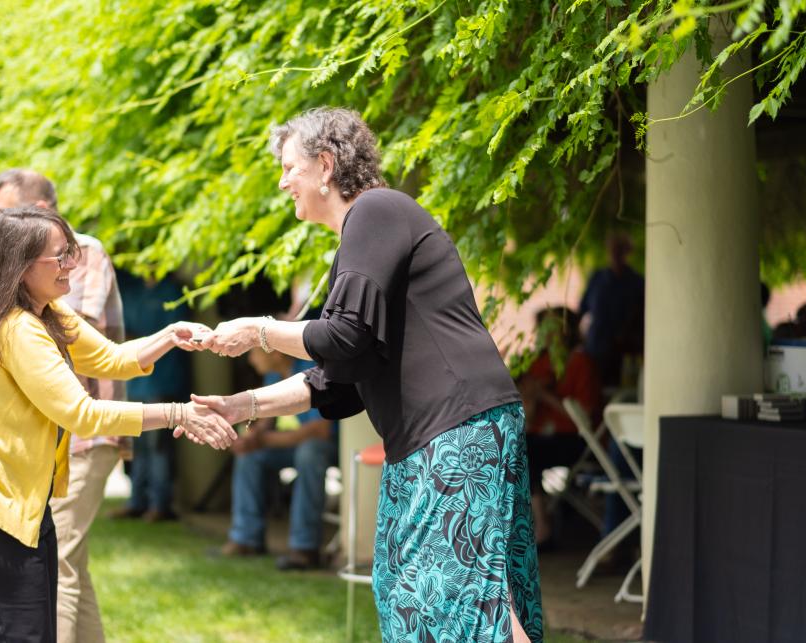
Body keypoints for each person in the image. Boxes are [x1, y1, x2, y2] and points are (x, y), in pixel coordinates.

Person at [183, 107, 542, 643]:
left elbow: (341, 335)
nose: (282, 183)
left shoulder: (375, 211)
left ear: (325, 165)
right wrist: (241, 406)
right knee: (423, 591)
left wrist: (260, 330)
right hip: (433, 437)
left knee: (457, 599)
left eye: (289, 168)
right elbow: (337, 377)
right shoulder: (364, 238)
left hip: (456, 429)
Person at [0, 206, 235, 642]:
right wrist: (178, 413)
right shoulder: (17, 330)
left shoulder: (48, 311)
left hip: (19, 507)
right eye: (61, 255)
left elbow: (112, 359)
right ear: (20, 265)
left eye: (71, 250)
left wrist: (169, 336)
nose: (73, 262)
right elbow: (81, 413)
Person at [0, 168, 130, 642]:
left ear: (41, 211)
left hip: (88, 430)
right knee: (73, 567)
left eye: (4, 214)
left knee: (56, 566)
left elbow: (67, 334)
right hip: (60, 436)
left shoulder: (81, 252)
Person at [221, 347, 338, 571]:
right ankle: (246, 539)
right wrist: (252, 438)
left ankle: (304, 548)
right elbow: (267, 418)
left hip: (328, 446)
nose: (250, 358)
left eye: (254, 351)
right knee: (250, 456)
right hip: (296, 444)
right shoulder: (274, 375)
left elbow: (321, 430)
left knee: (309, 452)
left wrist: (265, 440)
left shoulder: (312, 371)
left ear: (276, 353)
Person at [112, 271, 192, 522]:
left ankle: (160, 504)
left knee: (158, 447)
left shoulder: (171, 291)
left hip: (162, 379)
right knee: (135, 445)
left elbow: (178, 337)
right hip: (134, 381)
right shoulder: (132, 289)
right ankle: (137, 501)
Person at [518, 307, 601, 549]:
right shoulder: (539, 363)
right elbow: (528, 417)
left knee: (526, 451)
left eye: (552, 328)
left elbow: (583, 418)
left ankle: (542, 527)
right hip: (540, 435)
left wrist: (546, 395)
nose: (546, 334)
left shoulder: (580, 362)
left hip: (573, 438)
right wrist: (531, 398)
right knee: (514, 447)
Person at [578, 232, 644, 388]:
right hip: (596, 349)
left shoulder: (637, 283)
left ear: (627, 252)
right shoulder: (598, 278)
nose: (615, 253)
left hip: (624, 355)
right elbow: (582, 310)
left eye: (620, 249)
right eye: (612, 249)